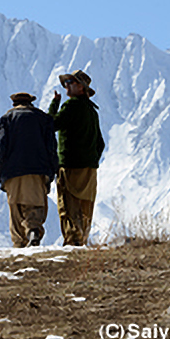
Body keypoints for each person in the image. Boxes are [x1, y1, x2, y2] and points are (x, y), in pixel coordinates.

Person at [48, 70, 104, 246]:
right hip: (89, 168)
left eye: (70, 82)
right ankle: (82, 240)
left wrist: (54, 105)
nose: (66, 85)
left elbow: (51, 125)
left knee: (68, 205)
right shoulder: (92, 111)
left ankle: (72, 242)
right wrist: (91, 158)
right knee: (85, 206)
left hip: (70, 166)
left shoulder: (71, 107)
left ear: (80, 87)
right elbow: (100, 143)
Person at [0, 92, 58, 248]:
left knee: (15, 207)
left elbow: (1, 146)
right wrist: (52, 170)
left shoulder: (7, 119)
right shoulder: (43, 119)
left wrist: (0, 169)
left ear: (14, 104)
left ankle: (19, 243)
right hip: (39, 169)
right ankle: (33, 230)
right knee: (35, 205)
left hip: (12, 171)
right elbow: (51, 147)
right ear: (31, 103)